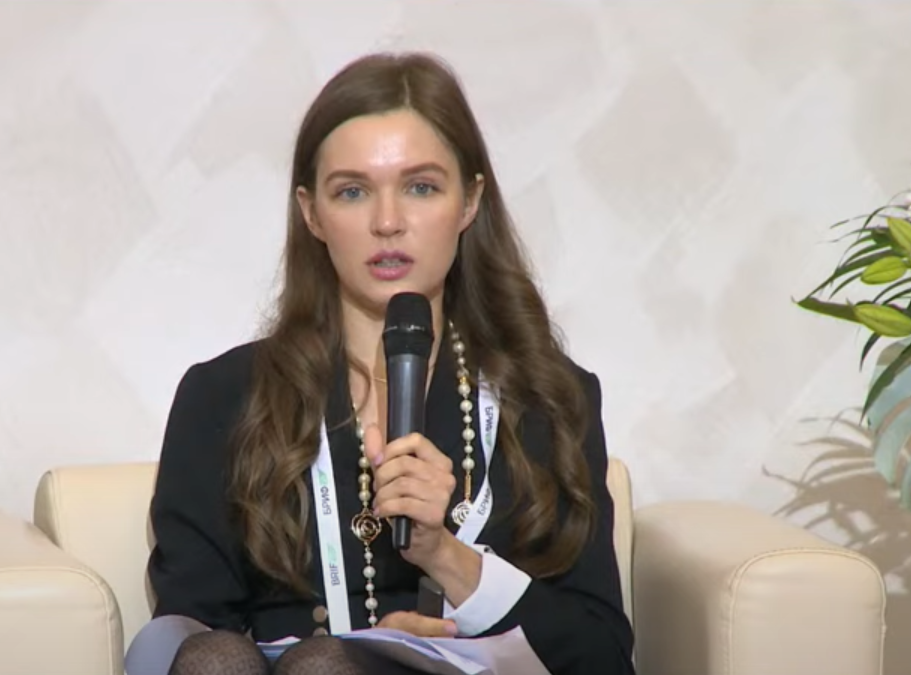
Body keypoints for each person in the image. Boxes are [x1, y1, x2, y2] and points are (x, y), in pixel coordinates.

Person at [124, 51, 635, 675]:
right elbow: (190, 632)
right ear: (312, 213)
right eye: (353, 191)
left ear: (469, 201)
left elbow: (604, 656)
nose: (388, 222)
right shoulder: (224, 396)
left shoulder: (548, 399)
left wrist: (446, 557)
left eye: (421, 187)